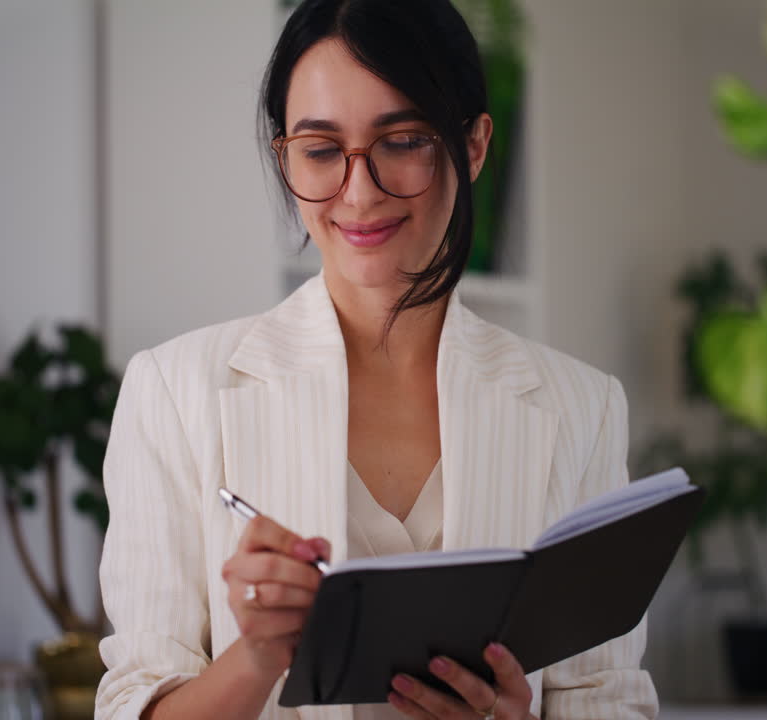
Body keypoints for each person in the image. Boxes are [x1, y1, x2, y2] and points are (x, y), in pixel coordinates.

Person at [95, 1, 658, 718]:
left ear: (475, 144)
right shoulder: (174, 395)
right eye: (321, 151)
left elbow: (612, 703)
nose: (359, 193)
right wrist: (256, 655)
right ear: (285, 154)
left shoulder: (581, 408)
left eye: (403, 141)